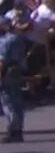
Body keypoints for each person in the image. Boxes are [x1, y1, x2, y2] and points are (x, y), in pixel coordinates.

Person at [0, 10, 27, 143]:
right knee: (17, 101)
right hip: (17, 72)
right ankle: (18, 130)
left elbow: (1, 61)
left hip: (6, 73)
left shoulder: (5, 41)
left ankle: (13, 129)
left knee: (8, 102)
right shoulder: (17, 38)